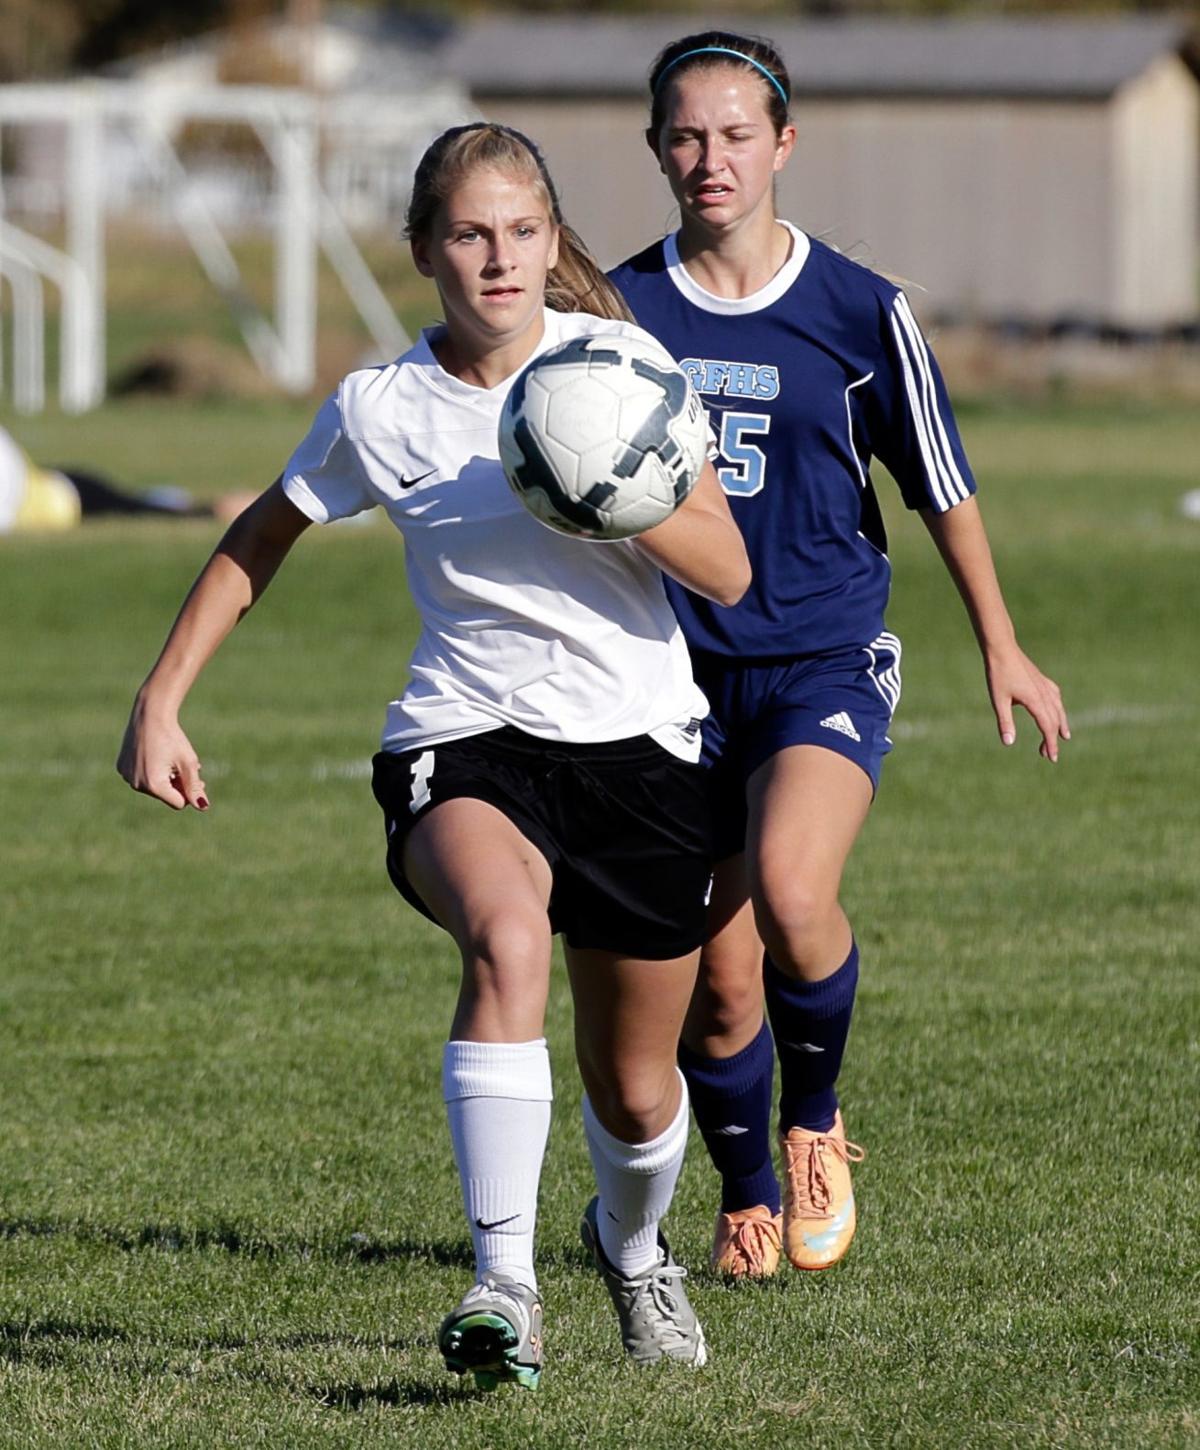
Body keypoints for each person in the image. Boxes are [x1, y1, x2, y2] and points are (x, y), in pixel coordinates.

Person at [117, 122, 750, 1388]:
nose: (499, 258)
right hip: (464, 739)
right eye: (469, 233)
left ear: (552, 239)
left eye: (522, 232)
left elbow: (729, 571)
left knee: (634, 1090)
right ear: (424, 251)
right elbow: (260, 535)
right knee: (507, 941)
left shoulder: (621, 365)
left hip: (641, 747)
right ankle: (502, 1282)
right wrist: (160, 698)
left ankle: (631, 1249)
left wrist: (608, 496)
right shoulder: (381, 404)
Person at [609, 32, 1070, 1280]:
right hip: (667, 678)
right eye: (688, 136)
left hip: (822, 656)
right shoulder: (614, 313)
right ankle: (748, 1193)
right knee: (716, 983)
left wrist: (1003, 645)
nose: (712, 158)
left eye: (737, 134)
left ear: (784, 145)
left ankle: (815, 1125)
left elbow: (941, 485)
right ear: (657, 148)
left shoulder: (861, 308)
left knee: (795, 892)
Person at [0, 424, 253, 533]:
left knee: (136, 508)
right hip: (53, 485)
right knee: (134, 503)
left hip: (65, 497)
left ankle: (222, 510)